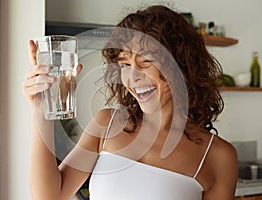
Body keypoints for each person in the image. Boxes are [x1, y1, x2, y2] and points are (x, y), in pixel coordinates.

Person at [22, 4, 238, 200]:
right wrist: (42, 108)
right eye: (125, 64)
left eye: (146, 62)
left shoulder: (218, 156)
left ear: (182, 66)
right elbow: (49, 197)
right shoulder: (107, 124)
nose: (133, 77)